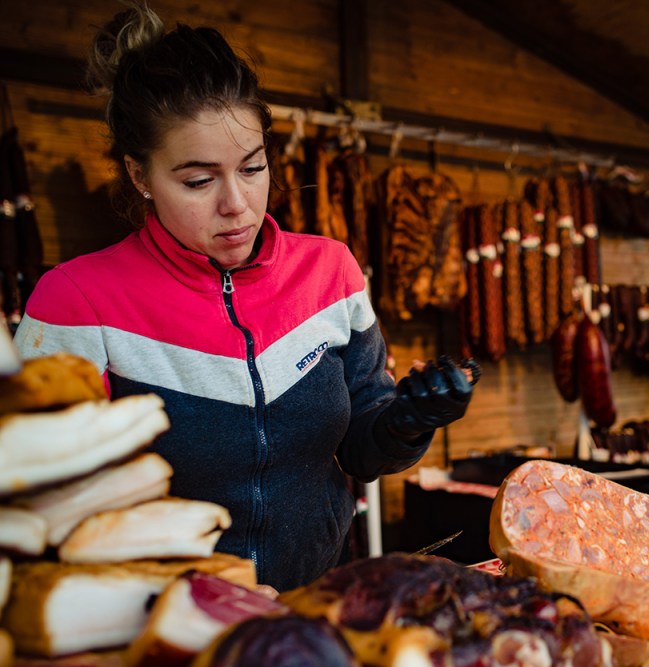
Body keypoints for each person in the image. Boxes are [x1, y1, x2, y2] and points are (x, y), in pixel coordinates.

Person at [13, 2, 477, 592]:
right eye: (198, 181)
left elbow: (363, 450)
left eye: (253, 168)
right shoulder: (77, 302)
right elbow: (40, 499)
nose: (237, 205)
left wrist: (409, 419)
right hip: (160, 629)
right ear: (138, 175)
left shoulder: (330, 272)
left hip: (314, 611)